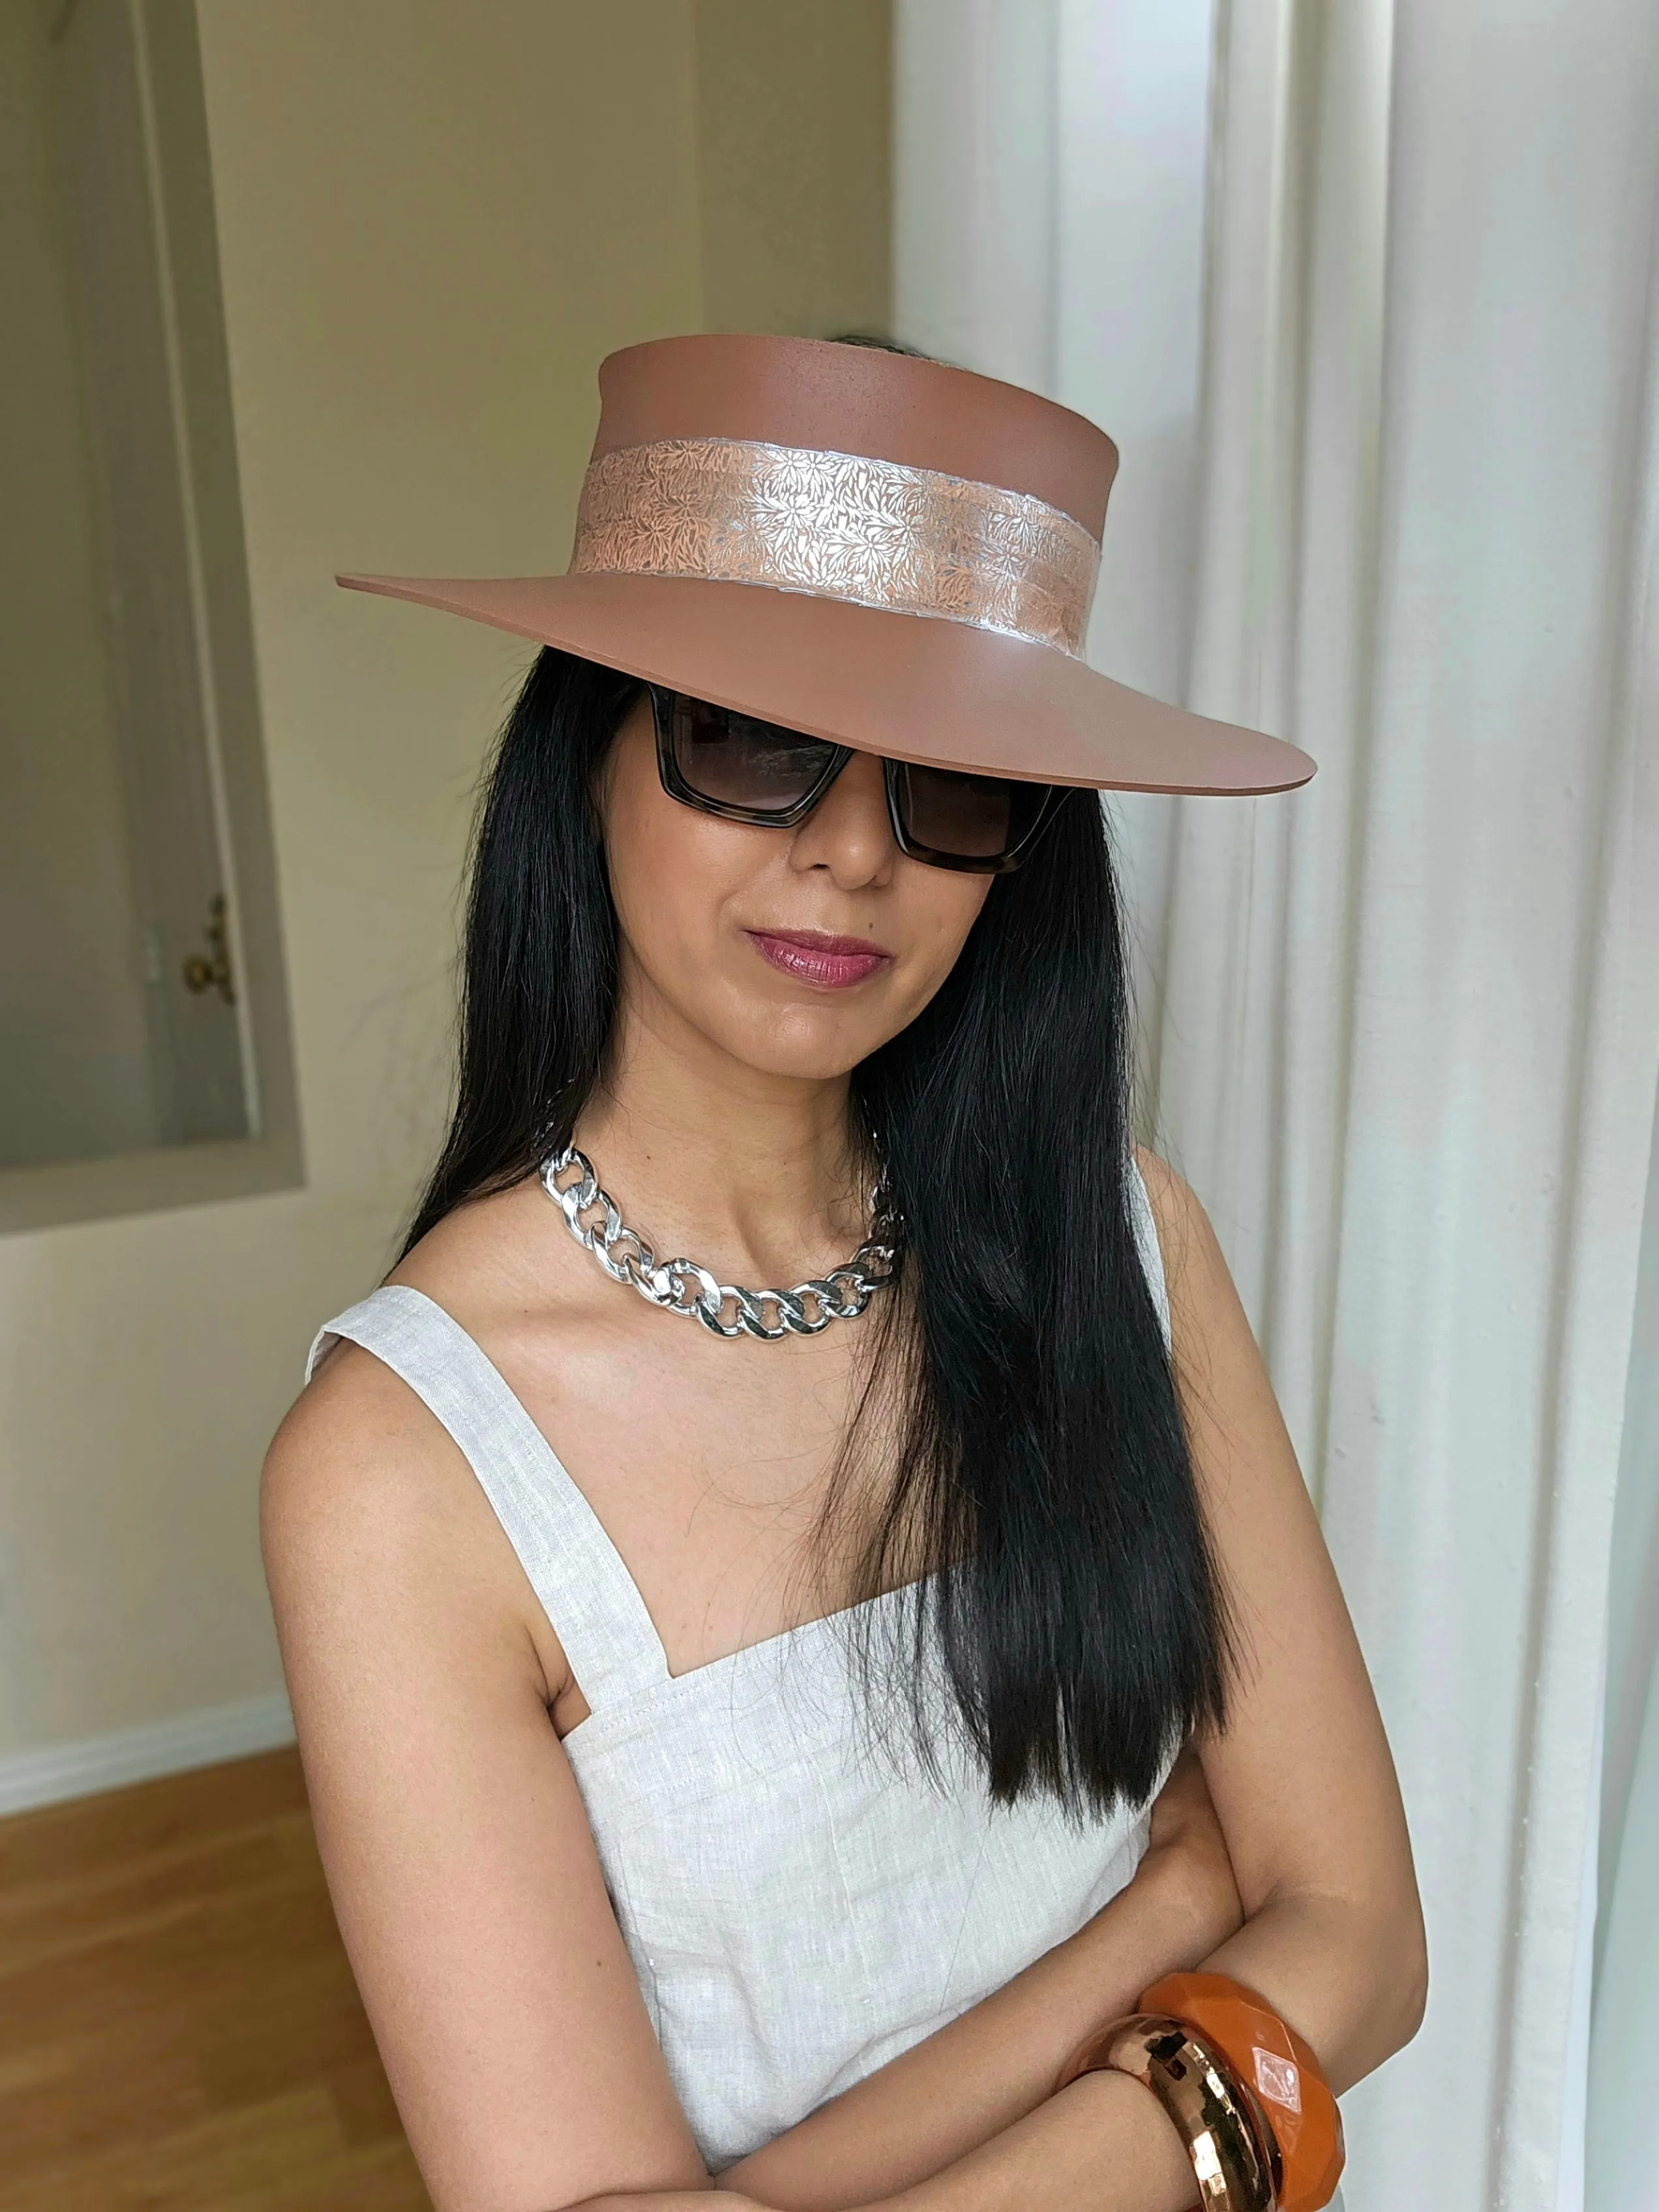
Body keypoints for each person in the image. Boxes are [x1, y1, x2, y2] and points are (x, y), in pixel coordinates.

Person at [262, 334, 1425, 2212]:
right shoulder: (401, 1470)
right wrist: (1191, 1930)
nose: (856, 850)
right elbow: (1298, 1946)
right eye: (753, 739)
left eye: (956, 781)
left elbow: (1369, 1934)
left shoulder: (1125, 1243)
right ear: (593, 749)